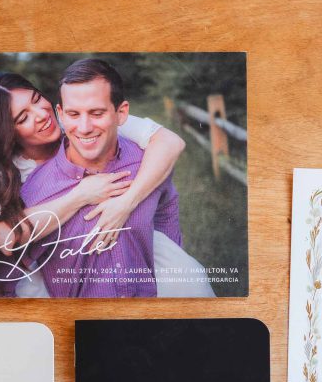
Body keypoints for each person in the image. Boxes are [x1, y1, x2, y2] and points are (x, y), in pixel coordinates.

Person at [0, 68, 214, 297]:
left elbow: (170, 142)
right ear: (5, 132)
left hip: (121, 249)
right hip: (44, 270)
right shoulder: (8, 173)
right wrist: (81, 194)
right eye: (22, 118)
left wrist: (126, 202)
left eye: (37, 100)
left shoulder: (79, 121)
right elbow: (6, 236)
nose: (41, 115)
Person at [18, 58, 197, 298]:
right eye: (73, 114)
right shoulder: (35, 192)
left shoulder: (149, 165)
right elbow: (4, 276)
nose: (84, 127)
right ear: (60, 114)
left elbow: (167, 218)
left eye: (97, 113)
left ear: (121, 113)